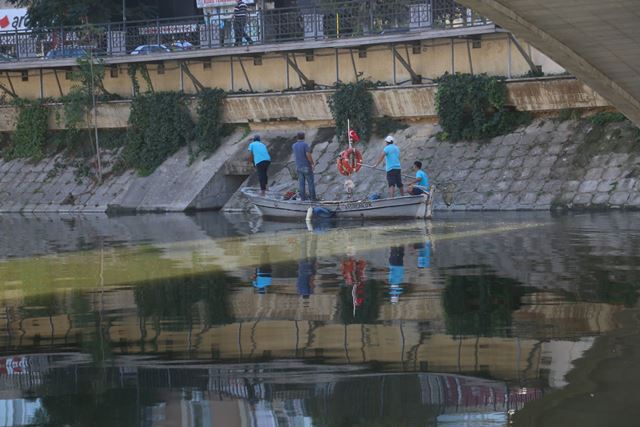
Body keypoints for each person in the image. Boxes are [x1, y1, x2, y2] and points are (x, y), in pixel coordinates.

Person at [292, 131, 317, 201]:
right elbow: (308, 155)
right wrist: (312, 163)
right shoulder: (305, 145)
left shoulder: (294, 145)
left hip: (298, 166)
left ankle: (303, 199)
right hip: (306, 166)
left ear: (297, 137)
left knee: (301, 184)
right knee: (310, 183)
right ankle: (313, 199)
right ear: (304, 137)